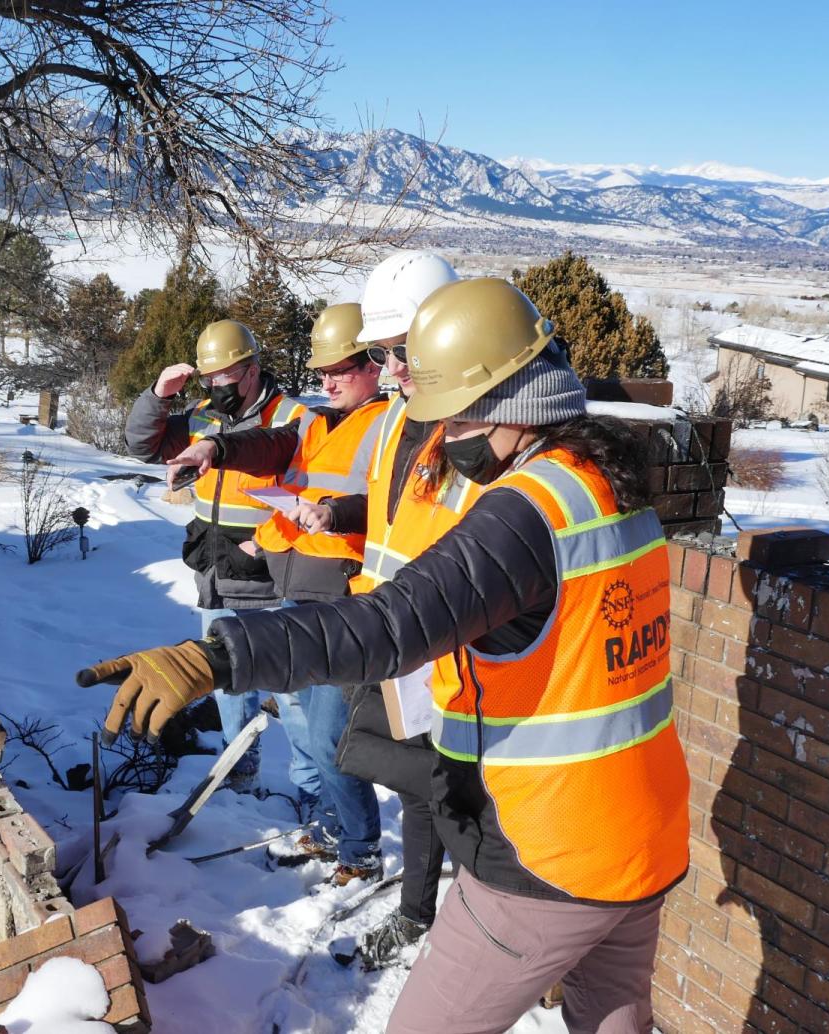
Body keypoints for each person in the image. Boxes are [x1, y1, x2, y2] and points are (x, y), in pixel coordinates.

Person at [82, 277, 690, 1034]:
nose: (449, 435)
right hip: (645, 831)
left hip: (547, 852)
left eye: (459, 416)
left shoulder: (531, 509)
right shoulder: (609, 486)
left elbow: (389, 623)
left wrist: (220, 657)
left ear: (511, 400)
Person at [164, 303, 390, 885]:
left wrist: (337, 512)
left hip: (345, 599)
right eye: (321, 372)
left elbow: (389, 505)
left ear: (375, 363)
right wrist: (217, 450)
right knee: (312, 727)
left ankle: (361, 846)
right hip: (297, 593)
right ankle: (339, 827)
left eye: (340, 368)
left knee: (329, 733)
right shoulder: (316, 423)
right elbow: (270, 446)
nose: (327, 381)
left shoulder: (392, 426)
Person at [336, 250, 461, 968]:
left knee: (455, 792)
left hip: (448, 641)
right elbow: (392, 513)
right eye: (384, 352)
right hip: (391, 631)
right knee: (418, 790)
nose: (392, 366)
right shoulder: (394, 421)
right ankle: (419, 913)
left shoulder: (477, 430)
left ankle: (481, 930)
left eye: (404, 349)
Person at [123, 320, 309, 793]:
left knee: (291, 695)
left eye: (225, 376)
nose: (216, 387)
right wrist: (158, 396)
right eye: (210, 378)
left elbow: (311, 497)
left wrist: (262, 543)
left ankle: (314, 794)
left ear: (251, 370)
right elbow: (142, 445)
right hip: (214, 571)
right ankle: (238, 771)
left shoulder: (291, 416)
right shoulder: (204, 415)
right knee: (225, 683)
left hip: (269, 576)